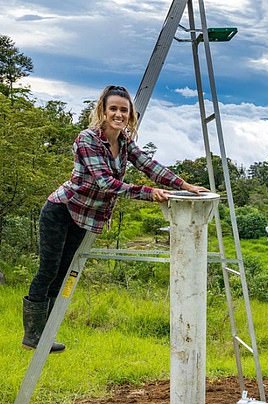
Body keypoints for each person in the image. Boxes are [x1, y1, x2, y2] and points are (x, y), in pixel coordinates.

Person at [23, 85, 208, 353]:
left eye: (124, 110)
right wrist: (148, 193)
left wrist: (185, 185)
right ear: (103, 111)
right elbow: (105, 183)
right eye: (114, 109)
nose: (118, 114)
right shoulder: (87, 139)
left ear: (130, 114)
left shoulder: (124, 142)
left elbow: (148, 165)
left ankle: (45, 334)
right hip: (62, 210)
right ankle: (33, 333)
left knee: (63, 273)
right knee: (49, 269)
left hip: (84, 218)